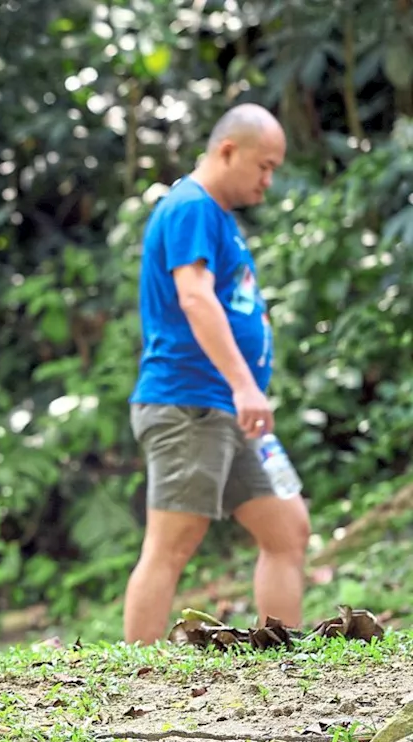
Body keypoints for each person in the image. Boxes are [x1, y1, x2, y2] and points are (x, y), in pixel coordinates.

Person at [124, 103, 310, 644]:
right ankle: (133, 684)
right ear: (228, 151)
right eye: (263, 166)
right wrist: (245, 383)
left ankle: (282, 668)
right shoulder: (190, 206)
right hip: (191, 403)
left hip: (228, 406)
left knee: (288, 528)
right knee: (172, 543)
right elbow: (195, 296)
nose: (268, 180)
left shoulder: (218, 219)